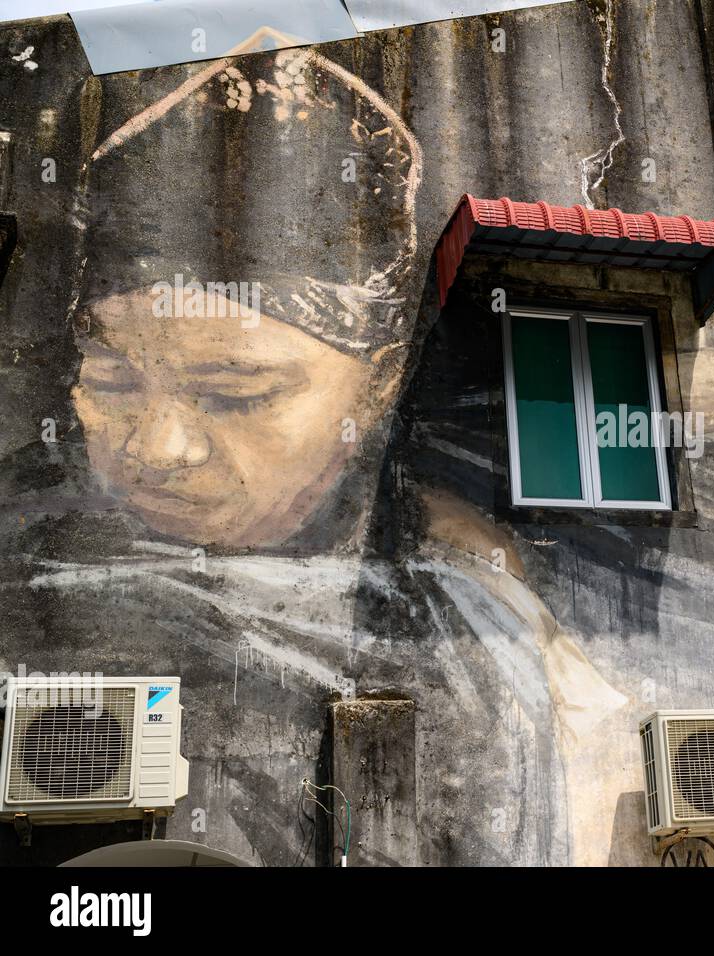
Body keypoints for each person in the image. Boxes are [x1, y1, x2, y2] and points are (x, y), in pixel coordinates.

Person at [0, 45, 627, 865]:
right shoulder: (20, 553)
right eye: (113, 380)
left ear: (377, 386)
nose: (160, 448)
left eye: (234, 394)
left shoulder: (465, 628)